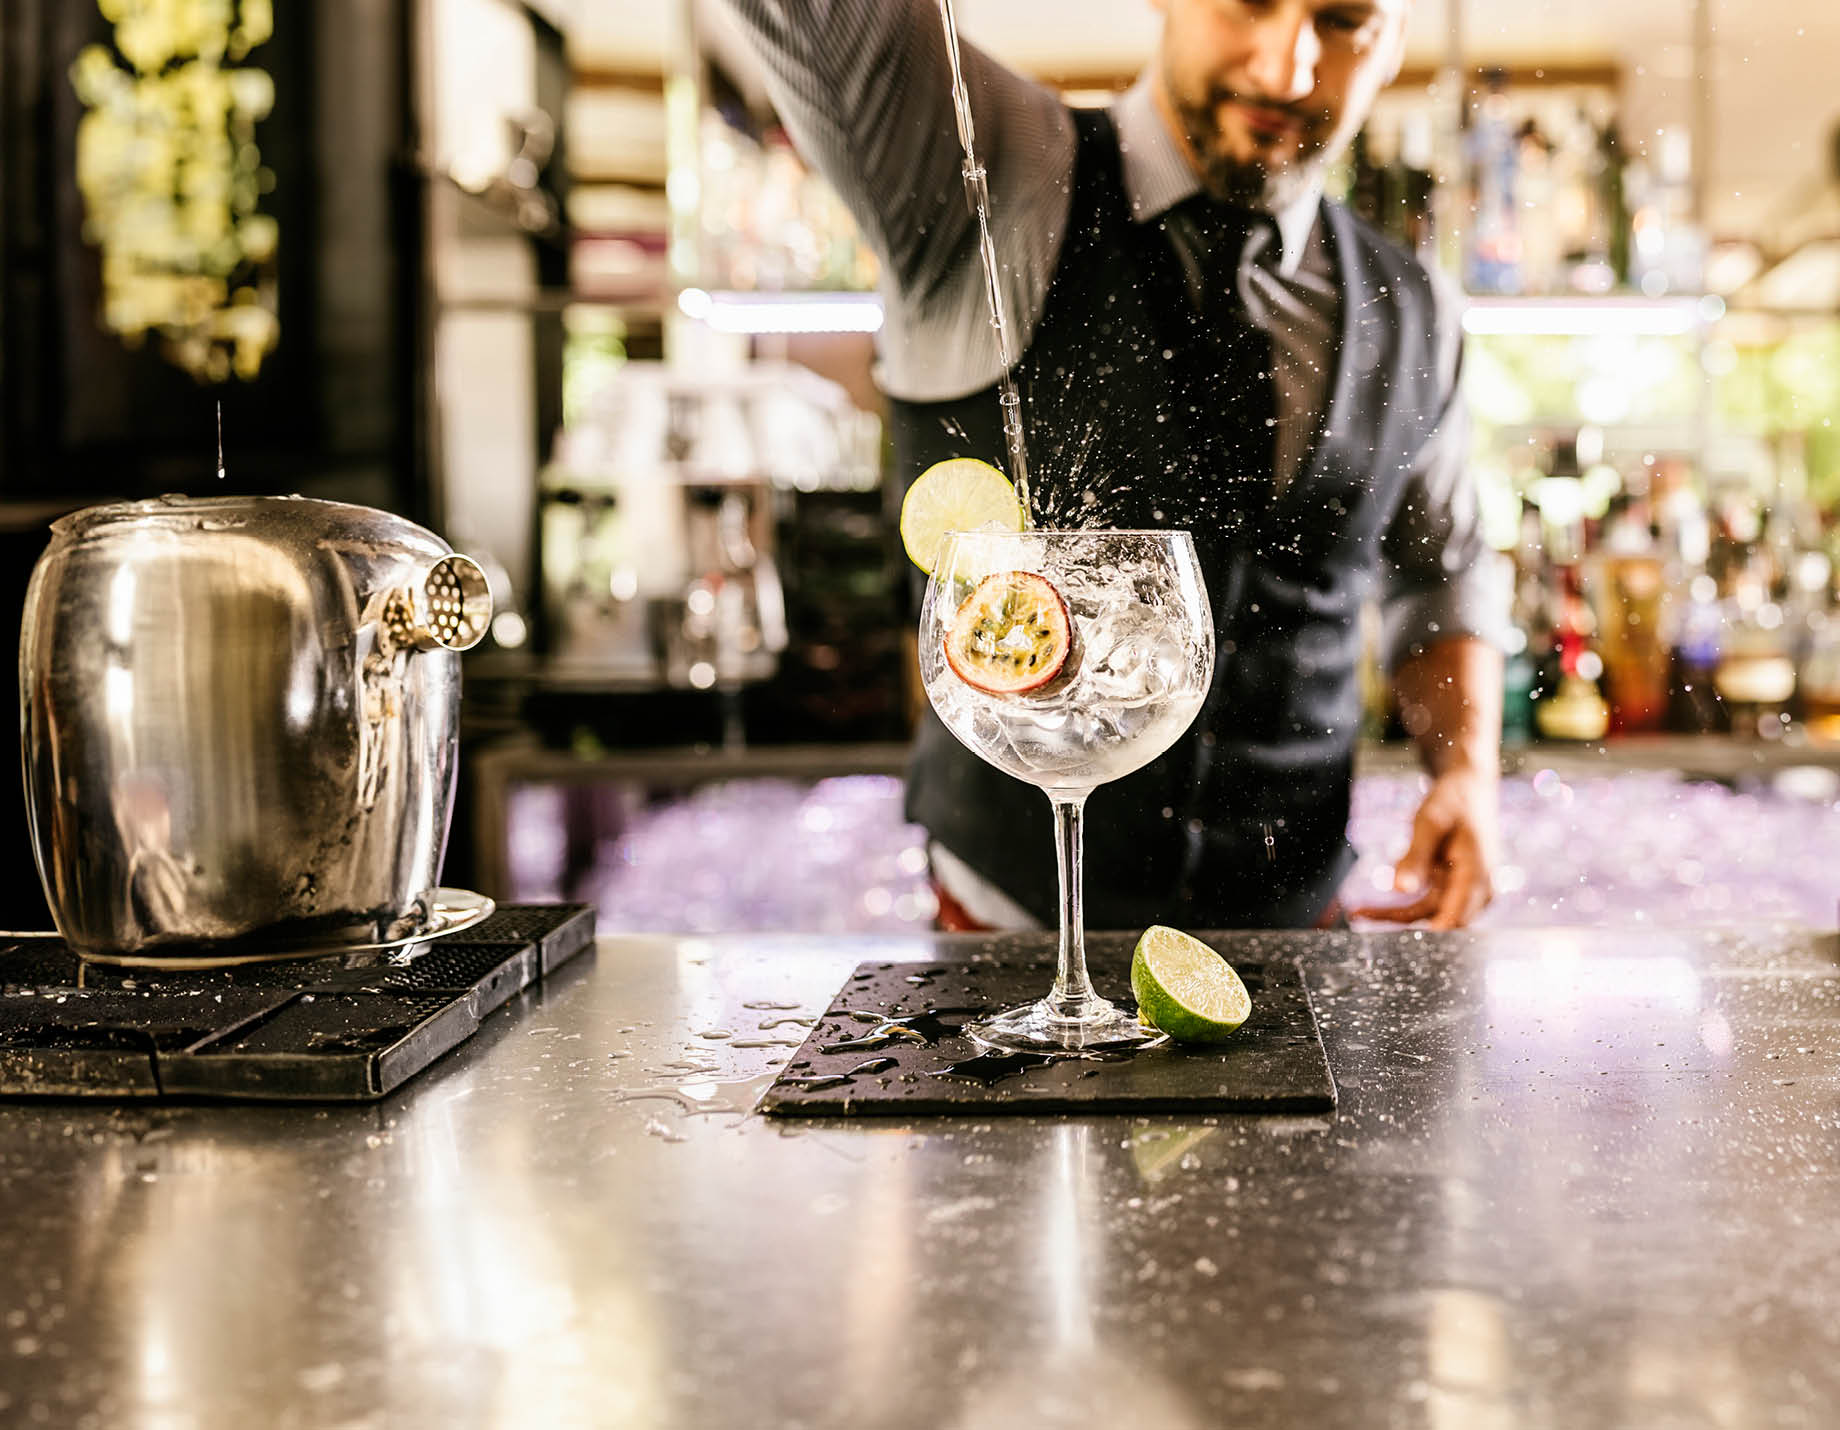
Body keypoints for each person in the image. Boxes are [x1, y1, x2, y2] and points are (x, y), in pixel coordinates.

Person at [724, 0, 1510, 931]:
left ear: (1395, 44)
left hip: (1298, 938)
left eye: (1343, 21)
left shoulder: (1415, 308)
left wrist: (1466, 772)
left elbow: (1440, 572)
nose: (1287, 67)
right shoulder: (979, 169)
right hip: (1010, 951)